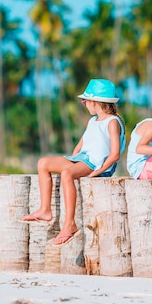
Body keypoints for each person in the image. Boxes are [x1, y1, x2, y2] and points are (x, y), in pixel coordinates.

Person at [20, 78, 125, 246]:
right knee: (43, 163)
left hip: (97, 164)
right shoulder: (93, 121)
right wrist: (72, 161)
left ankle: (70, 224)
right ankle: (45, 210)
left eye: (85, 101)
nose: (84, 104)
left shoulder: (112, 122)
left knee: (67, 174)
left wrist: (97, 171)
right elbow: (79, 147)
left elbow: (114, 154)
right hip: (82, 159)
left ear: (95, 102)